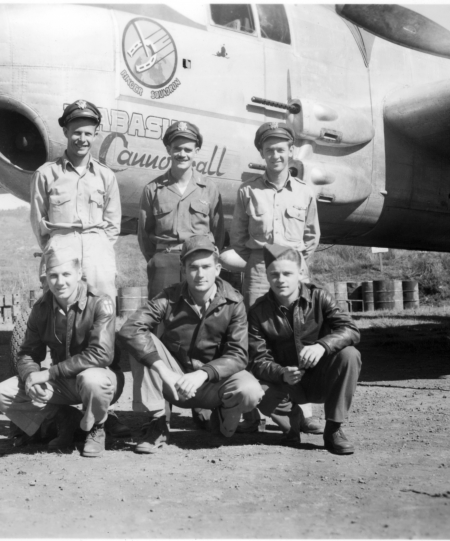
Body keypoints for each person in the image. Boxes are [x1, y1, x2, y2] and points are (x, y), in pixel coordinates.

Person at [118, 235, 264, 454]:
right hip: (174, 381)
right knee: (141, 342)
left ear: (218, 268)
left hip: (213, 381)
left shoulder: (234, 303)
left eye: (206, 266)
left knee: (250, 390)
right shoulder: (169, 297)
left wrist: (203, 374)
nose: (200, 274)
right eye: (193, 267)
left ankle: (221, 421)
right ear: (183, 270)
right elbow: (130, 329)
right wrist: (165, 373)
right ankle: (157, 422)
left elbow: (238, 355)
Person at [229, 121, 322, 434]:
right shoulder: (248, 191)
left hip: (294, 268)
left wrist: (294, 266)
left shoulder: (306, 193)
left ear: (291, 151)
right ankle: (252, 412)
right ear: (261, 153)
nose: (276, 155)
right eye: (269, 150)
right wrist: (260, 261)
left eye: (281, 149)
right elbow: (239, 237)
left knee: (298, 338)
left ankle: (304, 410)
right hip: (258, 269)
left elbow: (311, 237)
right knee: (255, 339)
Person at [0, 248, 124, 458]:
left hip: (101, 378)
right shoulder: (41, 308)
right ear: (46, 277)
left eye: (66, 275)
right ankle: (64, 418)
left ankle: (97, 427)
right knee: (1, 393)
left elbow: (101, 354)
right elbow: (27, 354)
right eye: (53, 275)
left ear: (79, 273)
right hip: (63, 381)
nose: (59, 282)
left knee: (92, 379)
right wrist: (29, 377)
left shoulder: (100, 301)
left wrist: (49, 373)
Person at [247, 244, 361, 454]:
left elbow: (351, 330)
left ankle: (333, 429)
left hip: (320, 379)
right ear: (267, 276)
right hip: (286, 386)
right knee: (253, 387)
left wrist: (322, 345)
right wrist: (282, 373)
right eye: (274, 274)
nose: (280, 280)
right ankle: (293, 419)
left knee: (350, 355)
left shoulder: (319, 297)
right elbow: (256, 360)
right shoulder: (257, 312)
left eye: (287, 273)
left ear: (300, 273)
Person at [30, 98, 121, 301]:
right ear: (66, 132)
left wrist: (100, 246)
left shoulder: (106, 176)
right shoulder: (45, 175)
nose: (82, 139)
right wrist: (56, 247)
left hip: (98, 257)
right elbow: (38, 222)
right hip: (61, 253)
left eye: (88, 133)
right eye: (76, 132)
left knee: (102, 315)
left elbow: (113, 224)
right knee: (61, 318)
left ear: (96, 134)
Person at [138, 120, 225, 300]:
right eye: (177, 148)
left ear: (196, 151)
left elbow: (218, 230)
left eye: (187, 150)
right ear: (169, 149)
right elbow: (144, 234)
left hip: (198, 262)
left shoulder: (209, 188)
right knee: (161, 319)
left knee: (198, 318)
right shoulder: (153, 189)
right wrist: (157, 259)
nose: (182, 154)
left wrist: (206, 256)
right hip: (165, 262)